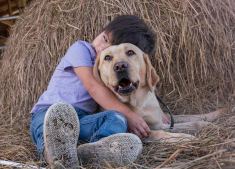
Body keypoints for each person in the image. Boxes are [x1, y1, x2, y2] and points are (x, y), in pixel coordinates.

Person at [30, 15, 167, 168]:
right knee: (53, 133)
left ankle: (93, 152)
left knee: (116, 118)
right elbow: (94, 87)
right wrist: (130, 115)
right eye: (104, 38)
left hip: (81, 120)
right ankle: (54, 159)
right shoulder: (81, 49)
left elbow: (138, 86)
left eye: (110, 48)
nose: (102, 47)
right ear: (101, 32)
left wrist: (156, 111)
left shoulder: (108, 68)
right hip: (49, 114)